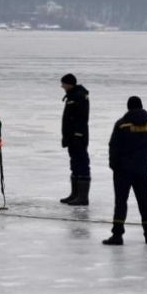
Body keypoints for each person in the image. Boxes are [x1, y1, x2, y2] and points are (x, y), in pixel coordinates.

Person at [103, 96, 147, 245]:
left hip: (123, 170)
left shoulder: (122, 124)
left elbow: (114, 146)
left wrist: (114, 165)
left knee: (121, 202)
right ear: (142, 106)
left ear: (128, 107)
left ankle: (117, 235)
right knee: (145, 201)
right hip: (143, 169)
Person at [59, 73, 91, 206]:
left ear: (69, 83)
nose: (62, 86)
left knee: (81, 163)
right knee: (74, 163)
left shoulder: (79, 96)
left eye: (63, 83)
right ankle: (75, 194)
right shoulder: (72, 95)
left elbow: (81, 118)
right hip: (71, 136)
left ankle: (83, 197)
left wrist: (78, 135)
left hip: (79, 136)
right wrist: (66, 136)